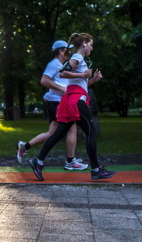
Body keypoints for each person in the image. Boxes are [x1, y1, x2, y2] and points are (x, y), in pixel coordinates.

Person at [28, 33, 115, 181]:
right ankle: (96, 169)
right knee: (91, 133)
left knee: (58, 133)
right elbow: (62, 73)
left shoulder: (78, 59)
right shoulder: (78, 57)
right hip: (75, 101)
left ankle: (38, 161)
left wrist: (92, 79)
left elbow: (78, 85)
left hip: (70, 99)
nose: (92, 49)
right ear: (85, 43)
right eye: (91, 45)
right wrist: (83, 75)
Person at [16, 40, 87, 171]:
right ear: (61, 51)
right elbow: (44, 80)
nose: (70, 52)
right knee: (72, 129)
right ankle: (70, 161)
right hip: (56, 101)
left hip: (57, 101)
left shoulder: (62, 64)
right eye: (67, 50)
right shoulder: (54, 64)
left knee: (53, 132)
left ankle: (25, 146)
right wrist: (61, 88)